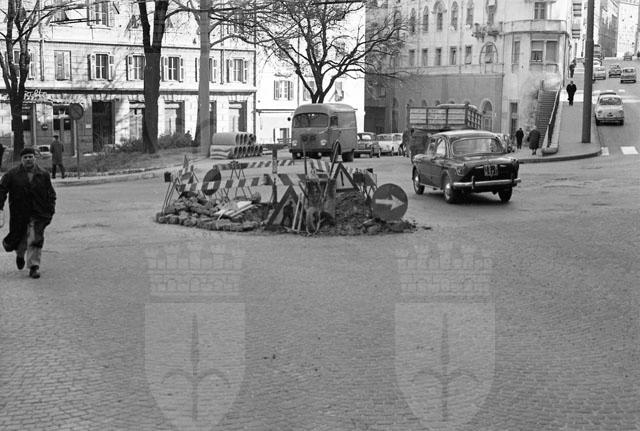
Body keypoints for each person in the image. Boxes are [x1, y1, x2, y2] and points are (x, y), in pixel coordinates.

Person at [0, 147, 56, 279]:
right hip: (19, 213)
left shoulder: (43, 174)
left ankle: (34, 266)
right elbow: (1, 190)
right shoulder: (12, 174)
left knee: (35, 238)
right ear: (21, 160)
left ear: (35, 158)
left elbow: (51, 194)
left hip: (38, 213)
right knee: (21, 239)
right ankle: (20, 255)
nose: (28, 159)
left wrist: (50, 209)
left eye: (31, 157)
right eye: (25, 157)